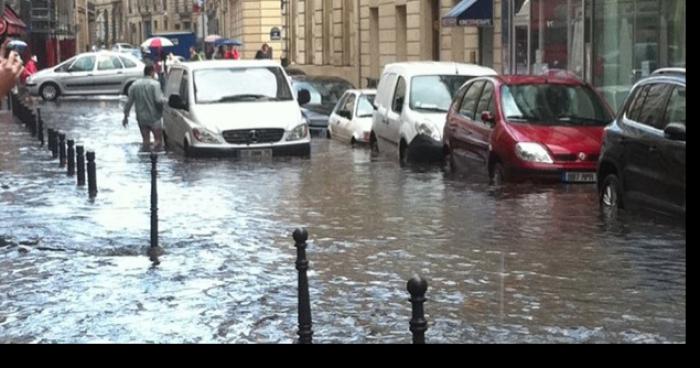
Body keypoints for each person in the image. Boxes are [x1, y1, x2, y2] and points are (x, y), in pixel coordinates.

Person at [123, 64, 168, 152]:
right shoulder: (155, 84)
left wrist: (125, 117)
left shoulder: (135, 85)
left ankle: (146, 158)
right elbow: (158, 100)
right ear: (151, 72)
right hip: (155, 118)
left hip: (141, 119)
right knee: (158, 140)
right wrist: (167, 100)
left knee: (145, 141)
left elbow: (129, 103)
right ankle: (153, 157)